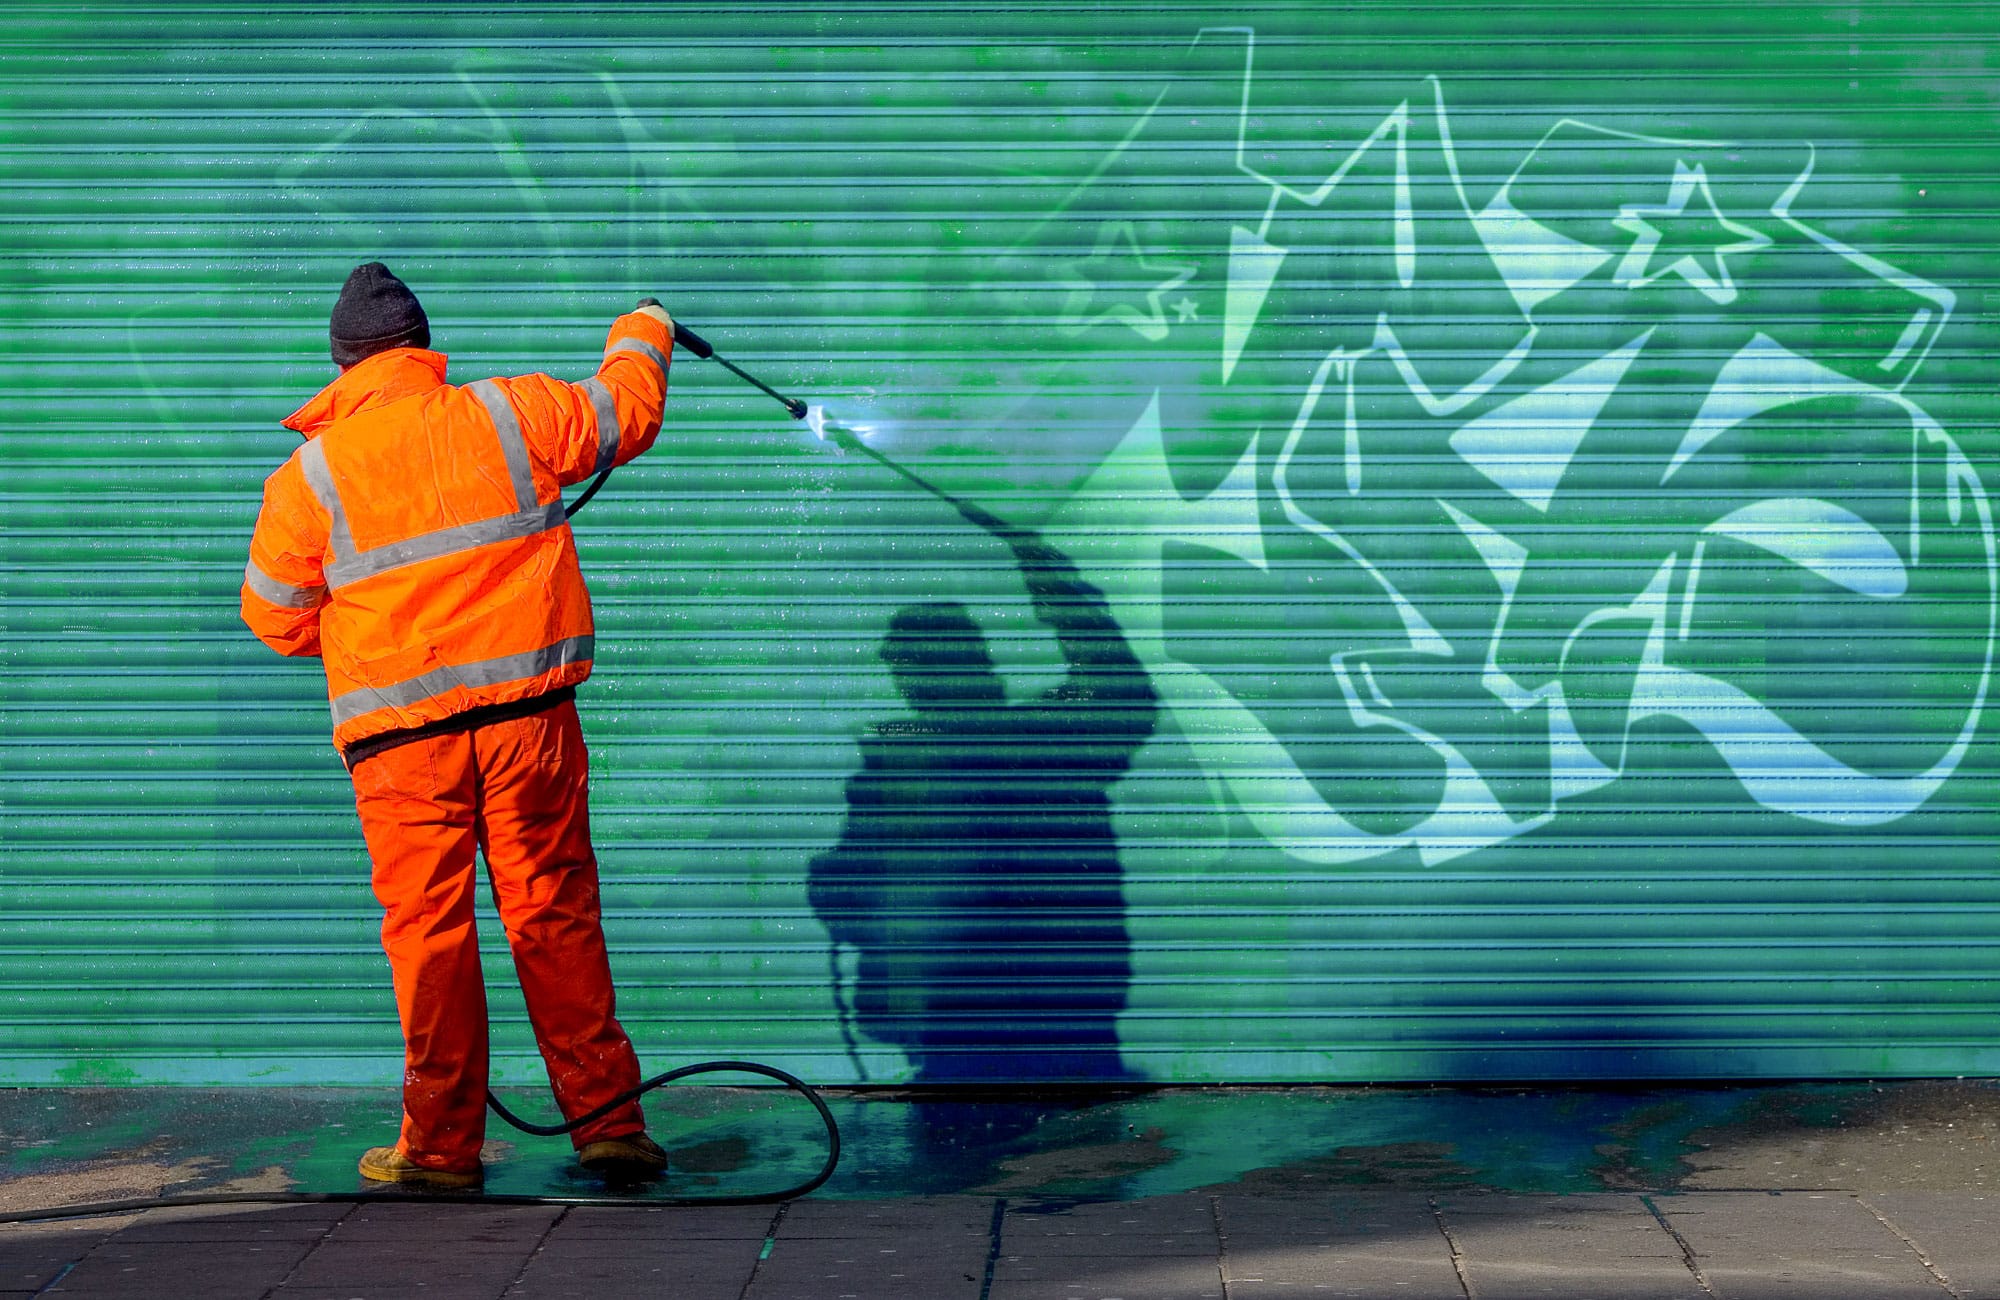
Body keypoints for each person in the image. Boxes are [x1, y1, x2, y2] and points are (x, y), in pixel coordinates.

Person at [240, 262, 675, 1187]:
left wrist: (382, 634)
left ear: (343, 364)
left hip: (401, 747)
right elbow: (625, 410)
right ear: (420, 349)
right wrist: (645, 324)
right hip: (532, 726)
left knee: (430, 935)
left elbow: (275, 618)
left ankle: (440, 1151)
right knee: (553, 910)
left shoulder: (308, 476)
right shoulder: (509, 414)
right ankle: (607, 1126)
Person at [808, 523, 1157, 1083]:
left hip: (1007, 1022)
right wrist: (1064, 594)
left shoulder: (1015, 744)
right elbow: (1122, 693)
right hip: (1028, 1017)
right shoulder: (1039, 740)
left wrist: (1063, 593)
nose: (908, 684)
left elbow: (845, 896)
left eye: (912, 668)